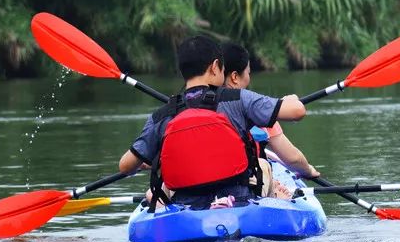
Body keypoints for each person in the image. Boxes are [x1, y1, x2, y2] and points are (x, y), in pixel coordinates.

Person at [118, 35, 306, 211]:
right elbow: (297, 112)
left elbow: (125, 166)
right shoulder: (238, 99)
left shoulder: (162, 115)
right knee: (263, 164)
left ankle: (160, 203)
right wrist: (292, 99)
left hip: (186, 205)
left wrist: (152, 158)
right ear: (215, 67)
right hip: (238, 201)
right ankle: (277, 198)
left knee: (164, 183)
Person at [221, 43, 320, 199]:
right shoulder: (254, 109)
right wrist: (307, 170)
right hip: (245, 185)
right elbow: (293, 158)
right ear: (234, 77)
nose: (249, 77)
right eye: (248, 72)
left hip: (205, 185)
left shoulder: (196, 104)